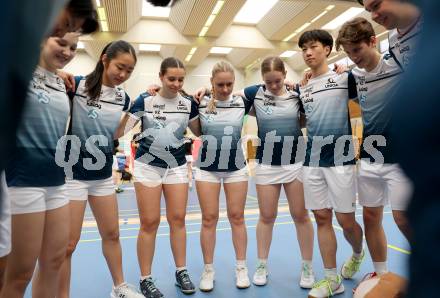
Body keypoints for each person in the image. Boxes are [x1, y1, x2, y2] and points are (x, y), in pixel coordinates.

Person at [195, 57, 315, 289]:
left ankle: (307, 267)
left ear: (284, 76)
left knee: (300, 215)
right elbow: (228, 92)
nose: (273, 85)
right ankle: (261, 265)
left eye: (278, 80)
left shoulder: (296, 93)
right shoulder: (253, 94)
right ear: (262, 80)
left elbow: (304, 118)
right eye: (268, 81)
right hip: (266, 164)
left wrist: (297, 84)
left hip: (295, 162)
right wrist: (203, 89)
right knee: (266, 216)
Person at [56, 40, 143, 298]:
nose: (123, 74)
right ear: (105, 59)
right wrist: (56, 73)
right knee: (68, 244)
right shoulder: (77, 85)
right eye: (120, 67)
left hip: (102, 175)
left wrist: (136, 112)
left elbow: (115, 133)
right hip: (73, 175)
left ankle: (119, 287)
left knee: (112, 233)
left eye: (129, 71)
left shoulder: (123, 98)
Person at [0, 32, 78, 298]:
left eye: (74, 47)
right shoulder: (15, 72)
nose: (67, 52)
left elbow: (100, 85)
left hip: (56, 182)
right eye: (61, 43)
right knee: (20, 273)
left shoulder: (65, 84)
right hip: (21, 183)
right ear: (41, 38)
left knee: (54, 263)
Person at [336, 17, 412, 278]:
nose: (353, 57)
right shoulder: (353, 77)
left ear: (372, 41)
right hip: (370, 156)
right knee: (370, 217)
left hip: (402, 158)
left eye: (357, 50)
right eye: (348, 53)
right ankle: (380, 274)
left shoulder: (400, 64)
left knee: (404, 219)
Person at [118, 57, 200, 297]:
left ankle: (181, 271)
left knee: (178, 220)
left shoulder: (188, 104)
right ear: (161, 77)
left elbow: (200, 131)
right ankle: (145, 278)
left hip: (175, 166)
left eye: (180, 79)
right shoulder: (145, 100)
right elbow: (122, 130)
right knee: (149, 222)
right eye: (171, 78)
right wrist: (132, 105)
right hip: (147, 166)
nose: (176, 83)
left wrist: (206, 98)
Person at [298, 29, 364, 297]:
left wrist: (348, 65)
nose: (308, 53)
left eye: (313, 47)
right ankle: (330, 279)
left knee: (346, 221)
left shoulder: (344, 77)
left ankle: (358, 253)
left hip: (341, 159)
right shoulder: (303, 87)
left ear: (327, 49)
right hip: (312, 161)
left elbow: (369, 85)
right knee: (321, 217)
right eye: (304, 49)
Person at [190, 61, 253, 291]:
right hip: (207, 168)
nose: (225, 89)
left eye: (229, 84)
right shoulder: (200, 102)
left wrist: (288, 82)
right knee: (209, 219)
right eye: (219, 85)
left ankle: (241, 268)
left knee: (237, 217)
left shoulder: (242, 101)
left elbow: (269, 87)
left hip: (236, 167)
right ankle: (208, 270)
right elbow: (172, 93)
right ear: (211, 83)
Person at [359, 0, 421, 69]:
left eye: (376, 5)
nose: (373, 17)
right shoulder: (392, 38)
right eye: (369, 11)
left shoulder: (432, 17)